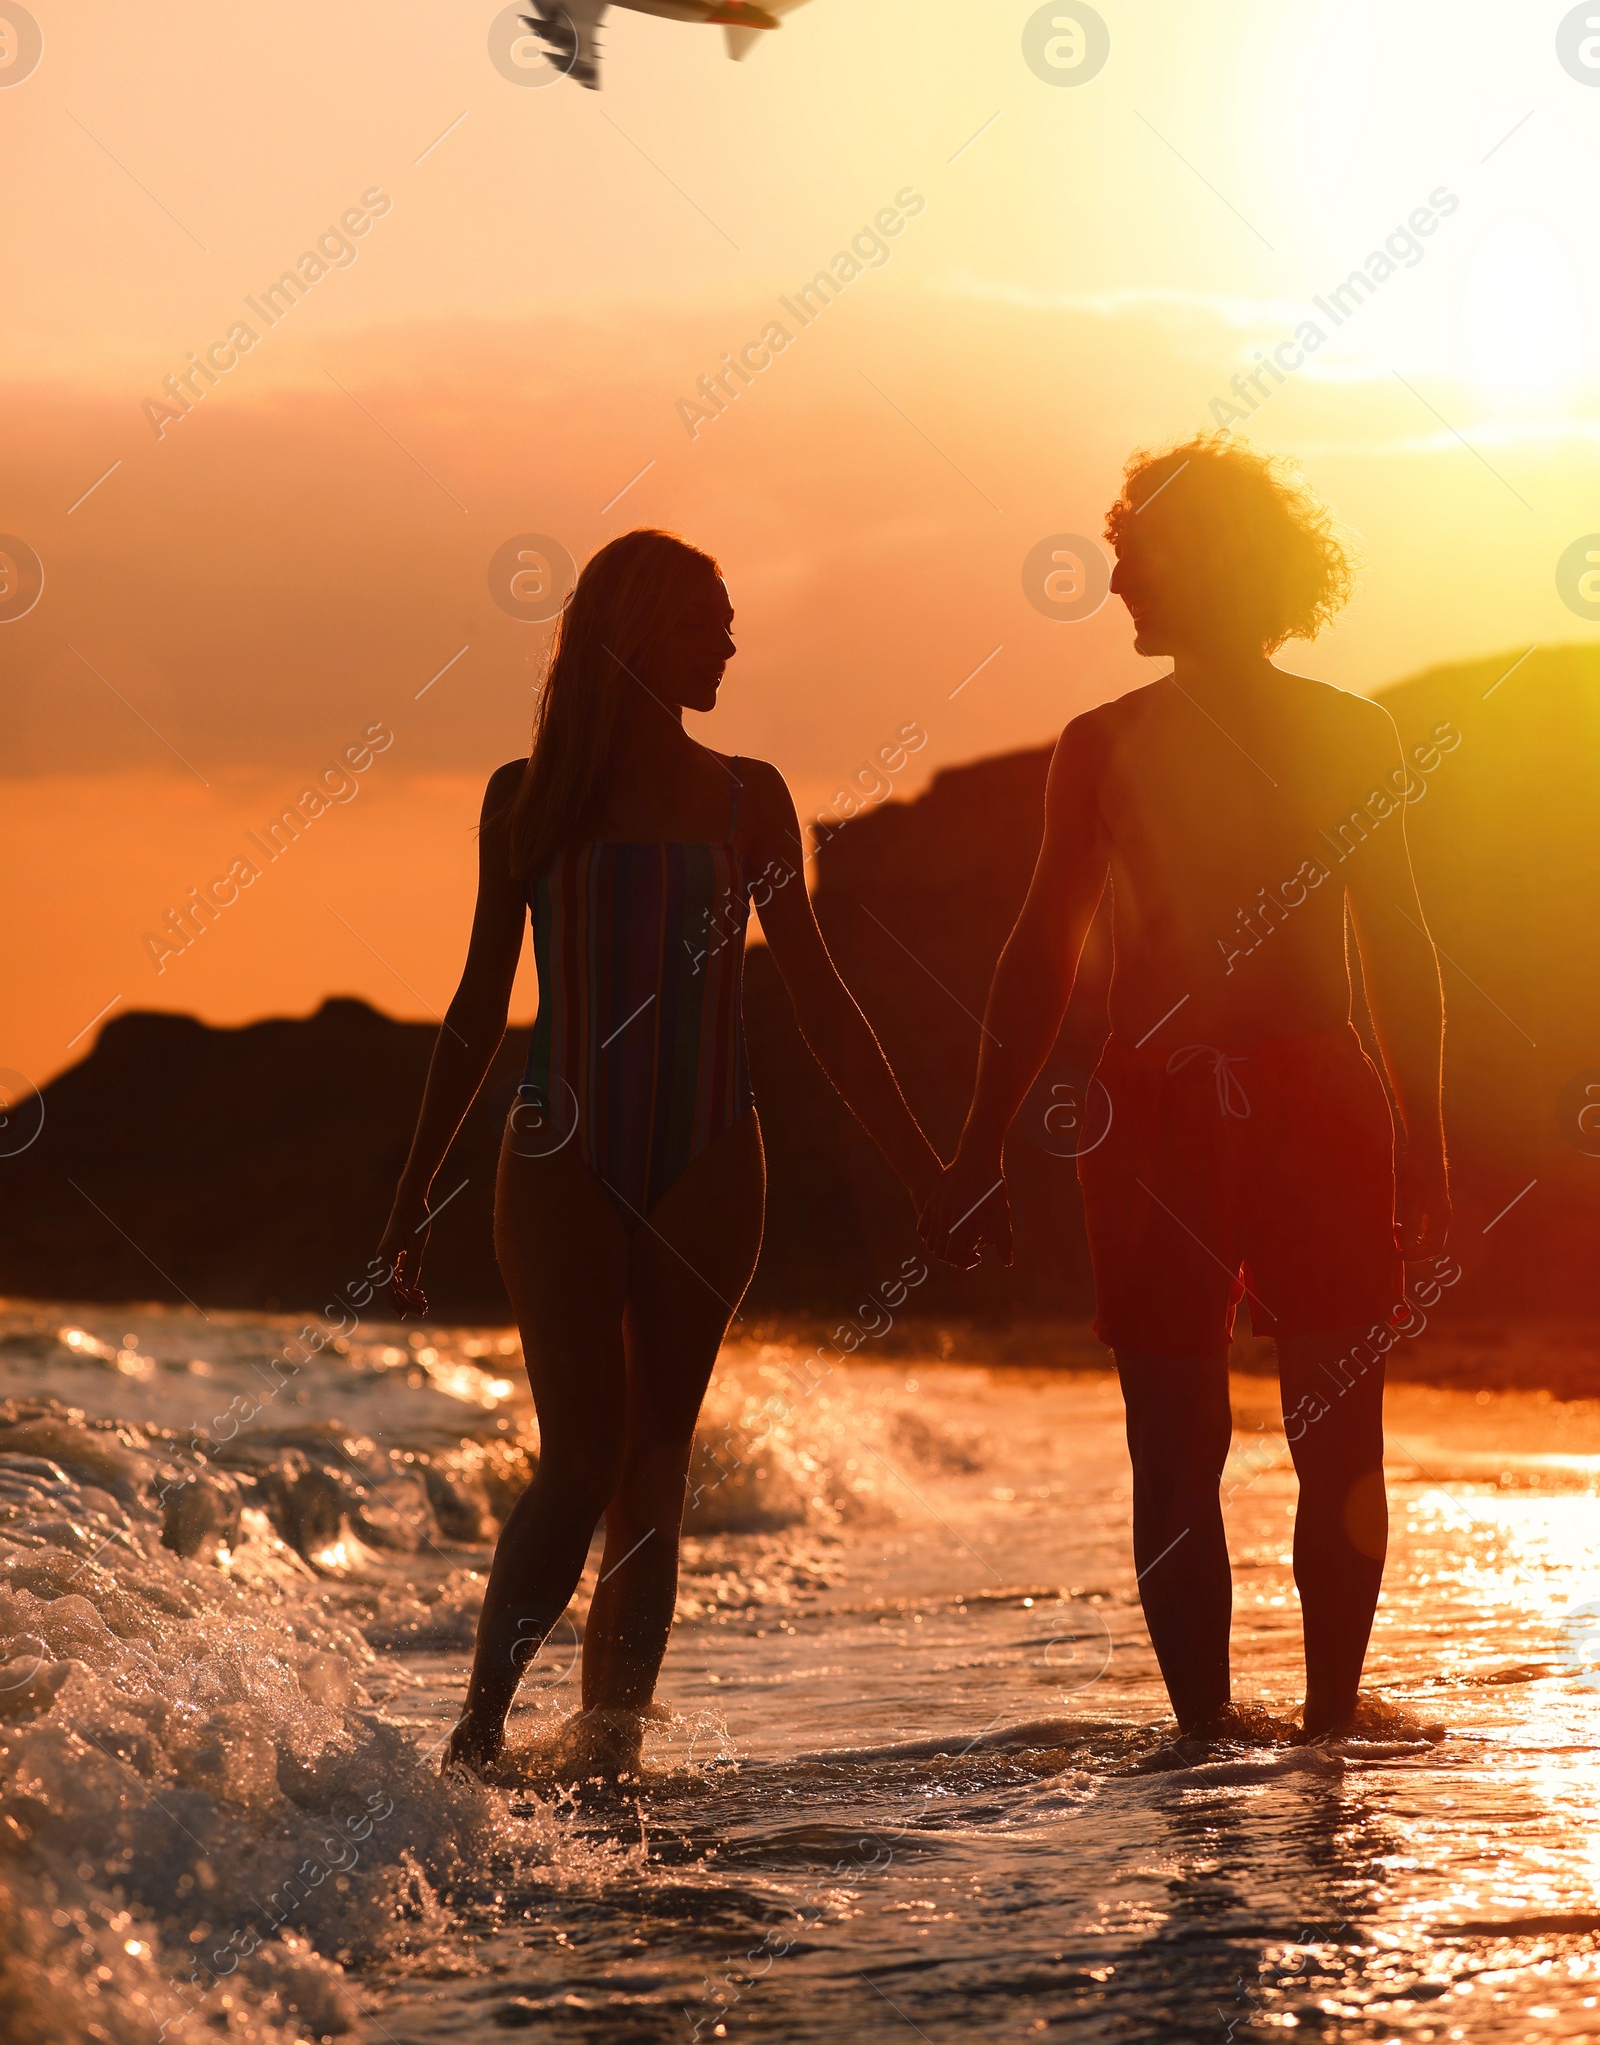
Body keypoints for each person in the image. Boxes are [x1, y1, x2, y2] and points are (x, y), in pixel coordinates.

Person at [379, 528, 941, 1780]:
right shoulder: (526, 797)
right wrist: (411, 1195)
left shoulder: (751, 797)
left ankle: (606, 1758)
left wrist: (924, 1171)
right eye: (702, 623)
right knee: (579, 1456)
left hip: (706, 1147)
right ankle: (472, 1746)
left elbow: (822, 1002)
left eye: (730, 621)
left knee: (653, 1469)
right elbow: (479, 1005)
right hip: (559, 1145)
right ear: (631, 636)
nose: (730, 644)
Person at [920, 438, 1450, 1754]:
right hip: (1163, 1113)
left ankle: (1306, 1737)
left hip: (1309, 1105)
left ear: (1198, 561)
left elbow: (1401, 948)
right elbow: (1041, 953)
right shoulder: (1105, 745)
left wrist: (1427, 1154)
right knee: (1194, 1445)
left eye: (1132, 557)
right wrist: (977, 1146)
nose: (1114, 586)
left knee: (1315, 1445)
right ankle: (1222, 1739)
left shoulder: (1342, 731)